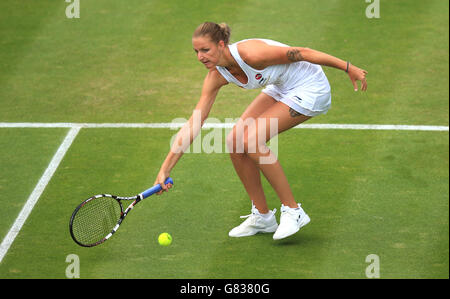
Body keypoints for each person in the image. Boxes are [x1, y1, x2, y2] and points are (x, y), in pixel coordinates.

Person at [154, 22, 368, 240]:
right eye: (196, 51)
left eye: (205, 50)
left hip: (311, 87)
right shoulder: (216, 76)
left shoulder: (252, 55)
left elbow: (303, 52)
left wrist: (348, 67)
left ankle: (294, 211)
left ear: (221, 45)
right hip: (282, 87)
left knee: (251, 140)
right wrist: (165, 169)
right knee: (235, 141)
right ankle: (263, 217)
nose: (200, 57)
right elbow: (194, 122)